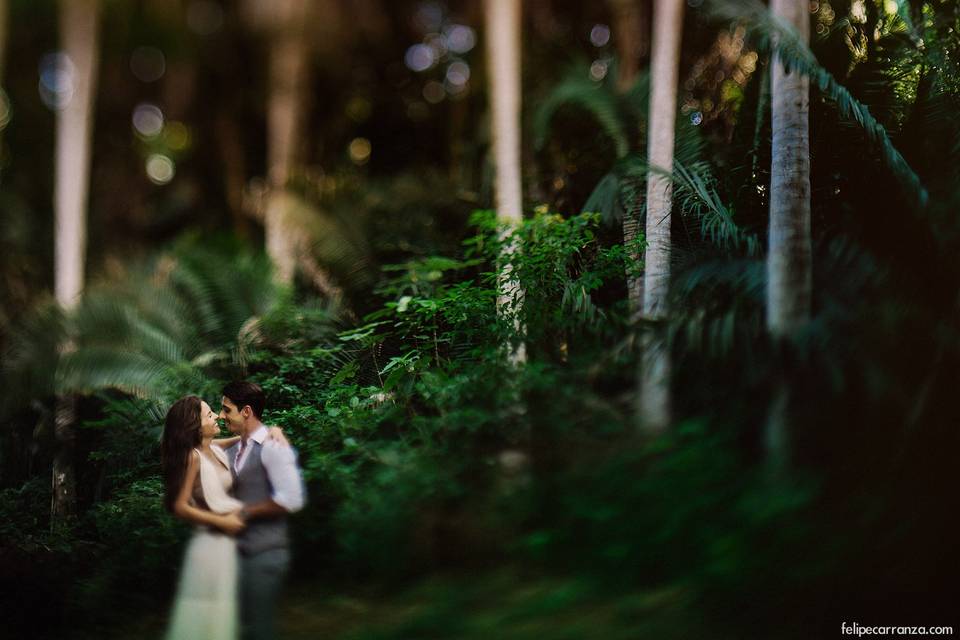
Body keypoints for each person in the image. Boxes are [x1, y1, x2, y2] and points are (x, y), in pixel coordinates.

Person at [160, 395, 288, 640]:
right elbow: (179, 506)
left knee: (223, 615)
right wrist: (224, 521)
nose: (218, 416)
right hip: (209, 546)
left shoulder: (216, 448)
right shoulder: (193, 457)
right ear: (193, 425)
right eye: (209, 415)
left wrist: (274, 430)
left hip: (227, 545)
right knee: (206, 618)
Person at [219, 381, 305, 640]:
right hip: (235, 557)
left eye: (226, 410)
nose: (221, 415)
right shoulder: (233, 449)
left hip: (265, 553)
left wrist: (245, 513)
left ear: (246, 411)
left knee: (260, 630)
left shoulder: (273, 446)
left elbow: (292, 499)